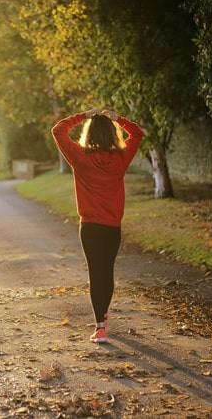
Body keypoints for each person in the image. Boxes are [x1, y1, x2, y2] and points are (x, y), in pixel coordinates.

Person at [51, 108, 144, 343]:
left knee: (96, 273)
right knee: (107, 272)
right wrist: (117, 118)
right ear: (113, 134)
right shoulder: (121, 159)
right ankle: (103, 317)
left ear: (89, 134)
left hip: (90, 227)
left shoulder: (80, 157)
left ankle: (100, 326)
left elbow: (58, 130)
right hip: (112, 226)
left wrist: (83, 115)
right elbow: (137, 133)